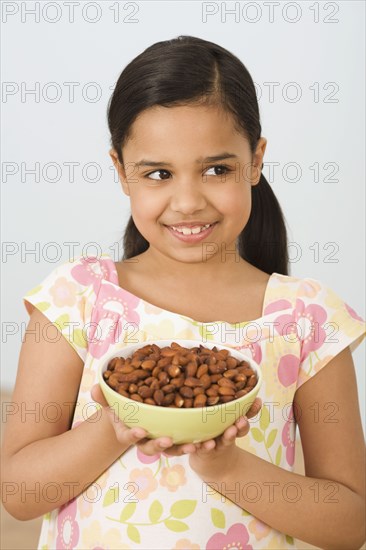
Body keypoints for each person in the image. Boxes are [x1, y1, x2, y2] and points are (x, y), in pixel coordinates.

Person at [2, 35, 365, 550]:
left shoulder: (308, 318)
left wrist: (226, 464)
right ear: (121, 173)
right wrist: (116, 425)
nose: (189, 201)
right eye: (159, 173)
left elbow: (350, 521)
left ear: (256, 160)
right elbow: (18, 492)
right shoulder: (78, 298)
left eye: (217, 169)